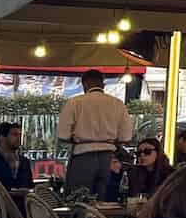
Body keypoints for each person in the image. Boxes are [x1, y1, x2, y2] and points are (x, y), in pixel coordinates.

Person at [57, 70, 133, 198]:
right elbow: (126, 137)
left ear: (84, 84)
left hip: (82, 156)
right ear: (103, 84)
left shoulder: (75, 102)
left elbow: (62, 135)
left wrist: (75, 139)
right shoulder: (118, 104)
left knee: (79, 201)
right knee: (106, 202)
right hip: (109, 159)